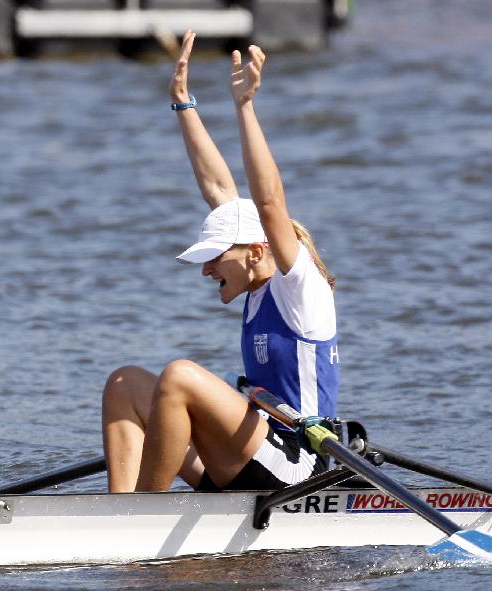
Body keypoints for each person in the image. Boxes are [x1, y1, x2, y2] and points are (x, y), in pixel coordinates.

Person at [101, 31, 339, 494]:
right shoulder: (251, 277)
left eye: (214, 258)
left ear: (256, 251)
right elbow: (218, 189)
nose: (207, 270)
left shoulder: (298, 286)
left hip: (301, 465)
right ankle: (120, 511)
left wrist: (244, 107)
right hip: (254, 451)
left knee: (181, 376)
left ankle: (144, 516)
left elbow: (269, 201)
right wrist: (183, 104)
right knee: (125, 382)